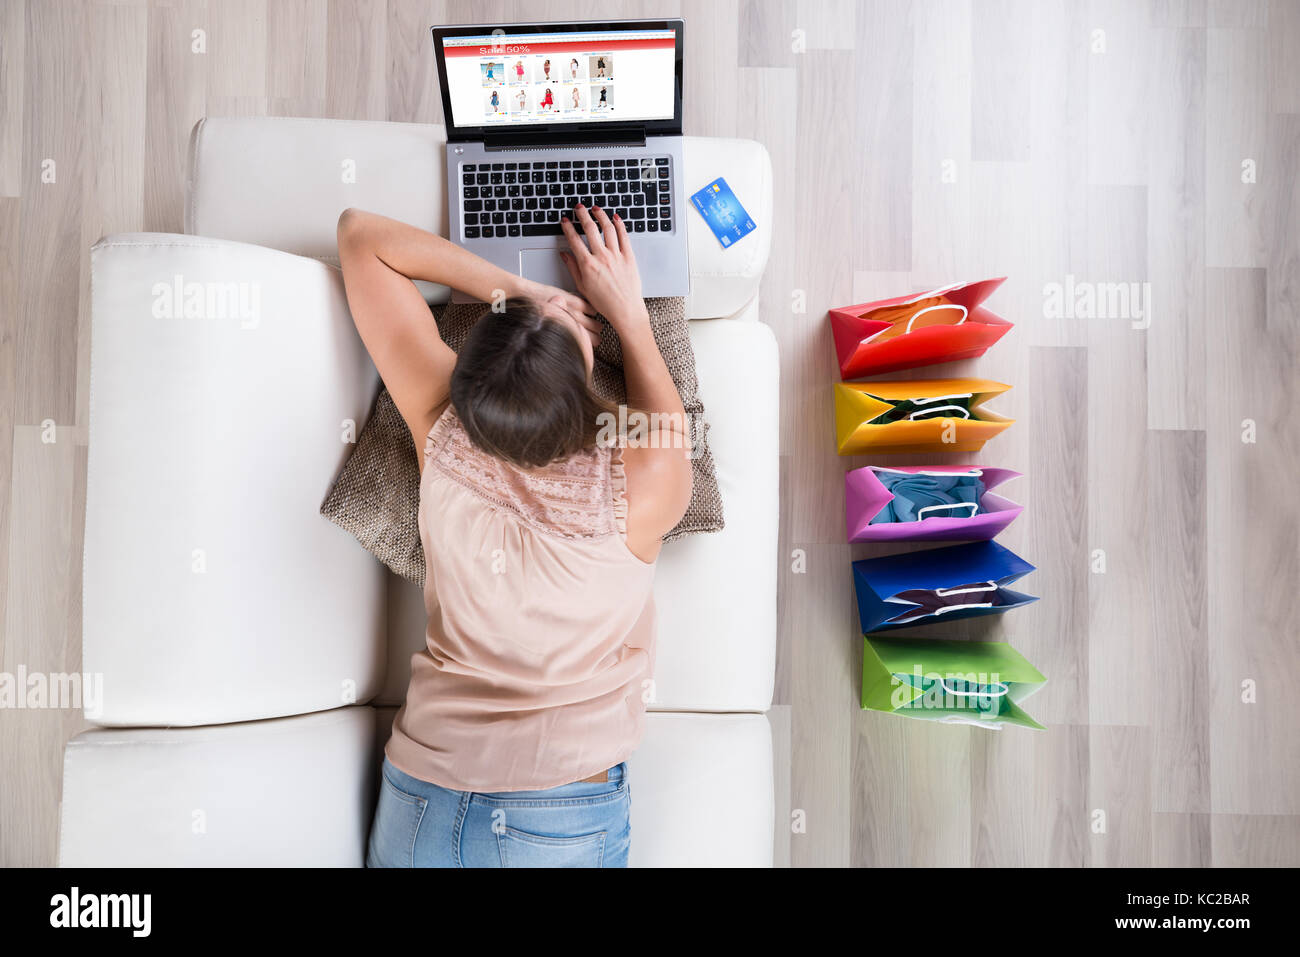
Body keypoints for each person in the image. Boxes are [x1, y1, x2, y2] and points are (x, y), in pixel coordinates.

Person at [338, 202, 692, 868]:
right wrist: (628, 314)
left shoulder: (439, 421)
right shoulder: (643, 485)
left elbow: (361, 238)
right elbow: (669, 425)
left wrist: (517, 291)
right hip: (553, 813)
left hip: (423, 796)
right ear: (583, 396)